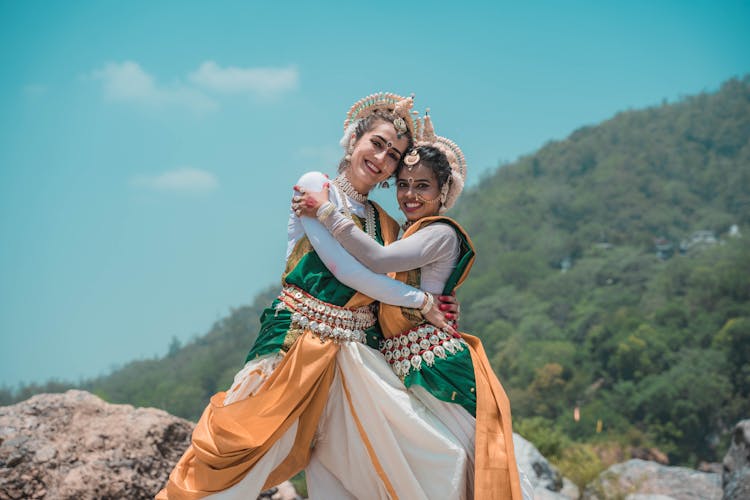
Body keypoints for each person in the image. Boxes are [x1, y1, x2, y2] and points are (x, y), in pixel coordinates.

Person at [157, 93, 470, 500]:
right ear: (354, 138)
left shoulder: (386, 223)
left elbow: (397, 278)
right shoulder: (316, 189)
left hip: (358, 358)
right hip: (295, 344)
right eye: (376, 143)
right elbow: (352, 272)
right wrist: (421, 301)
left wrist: (437, 300)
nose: (381, 158)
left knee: (391, 462)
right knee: (241, 447)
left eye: (393, 155)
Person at [295, 113, 533, 499]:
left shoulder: (438, 232)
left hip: (438, 366)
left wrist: (325, 211)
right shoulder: (401, 232)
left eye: (422, 186)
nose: (410, 195)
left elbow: (377, 261)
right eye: (403, 185)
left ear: (444, 192)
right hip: (403, 363)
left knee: (457, 466)